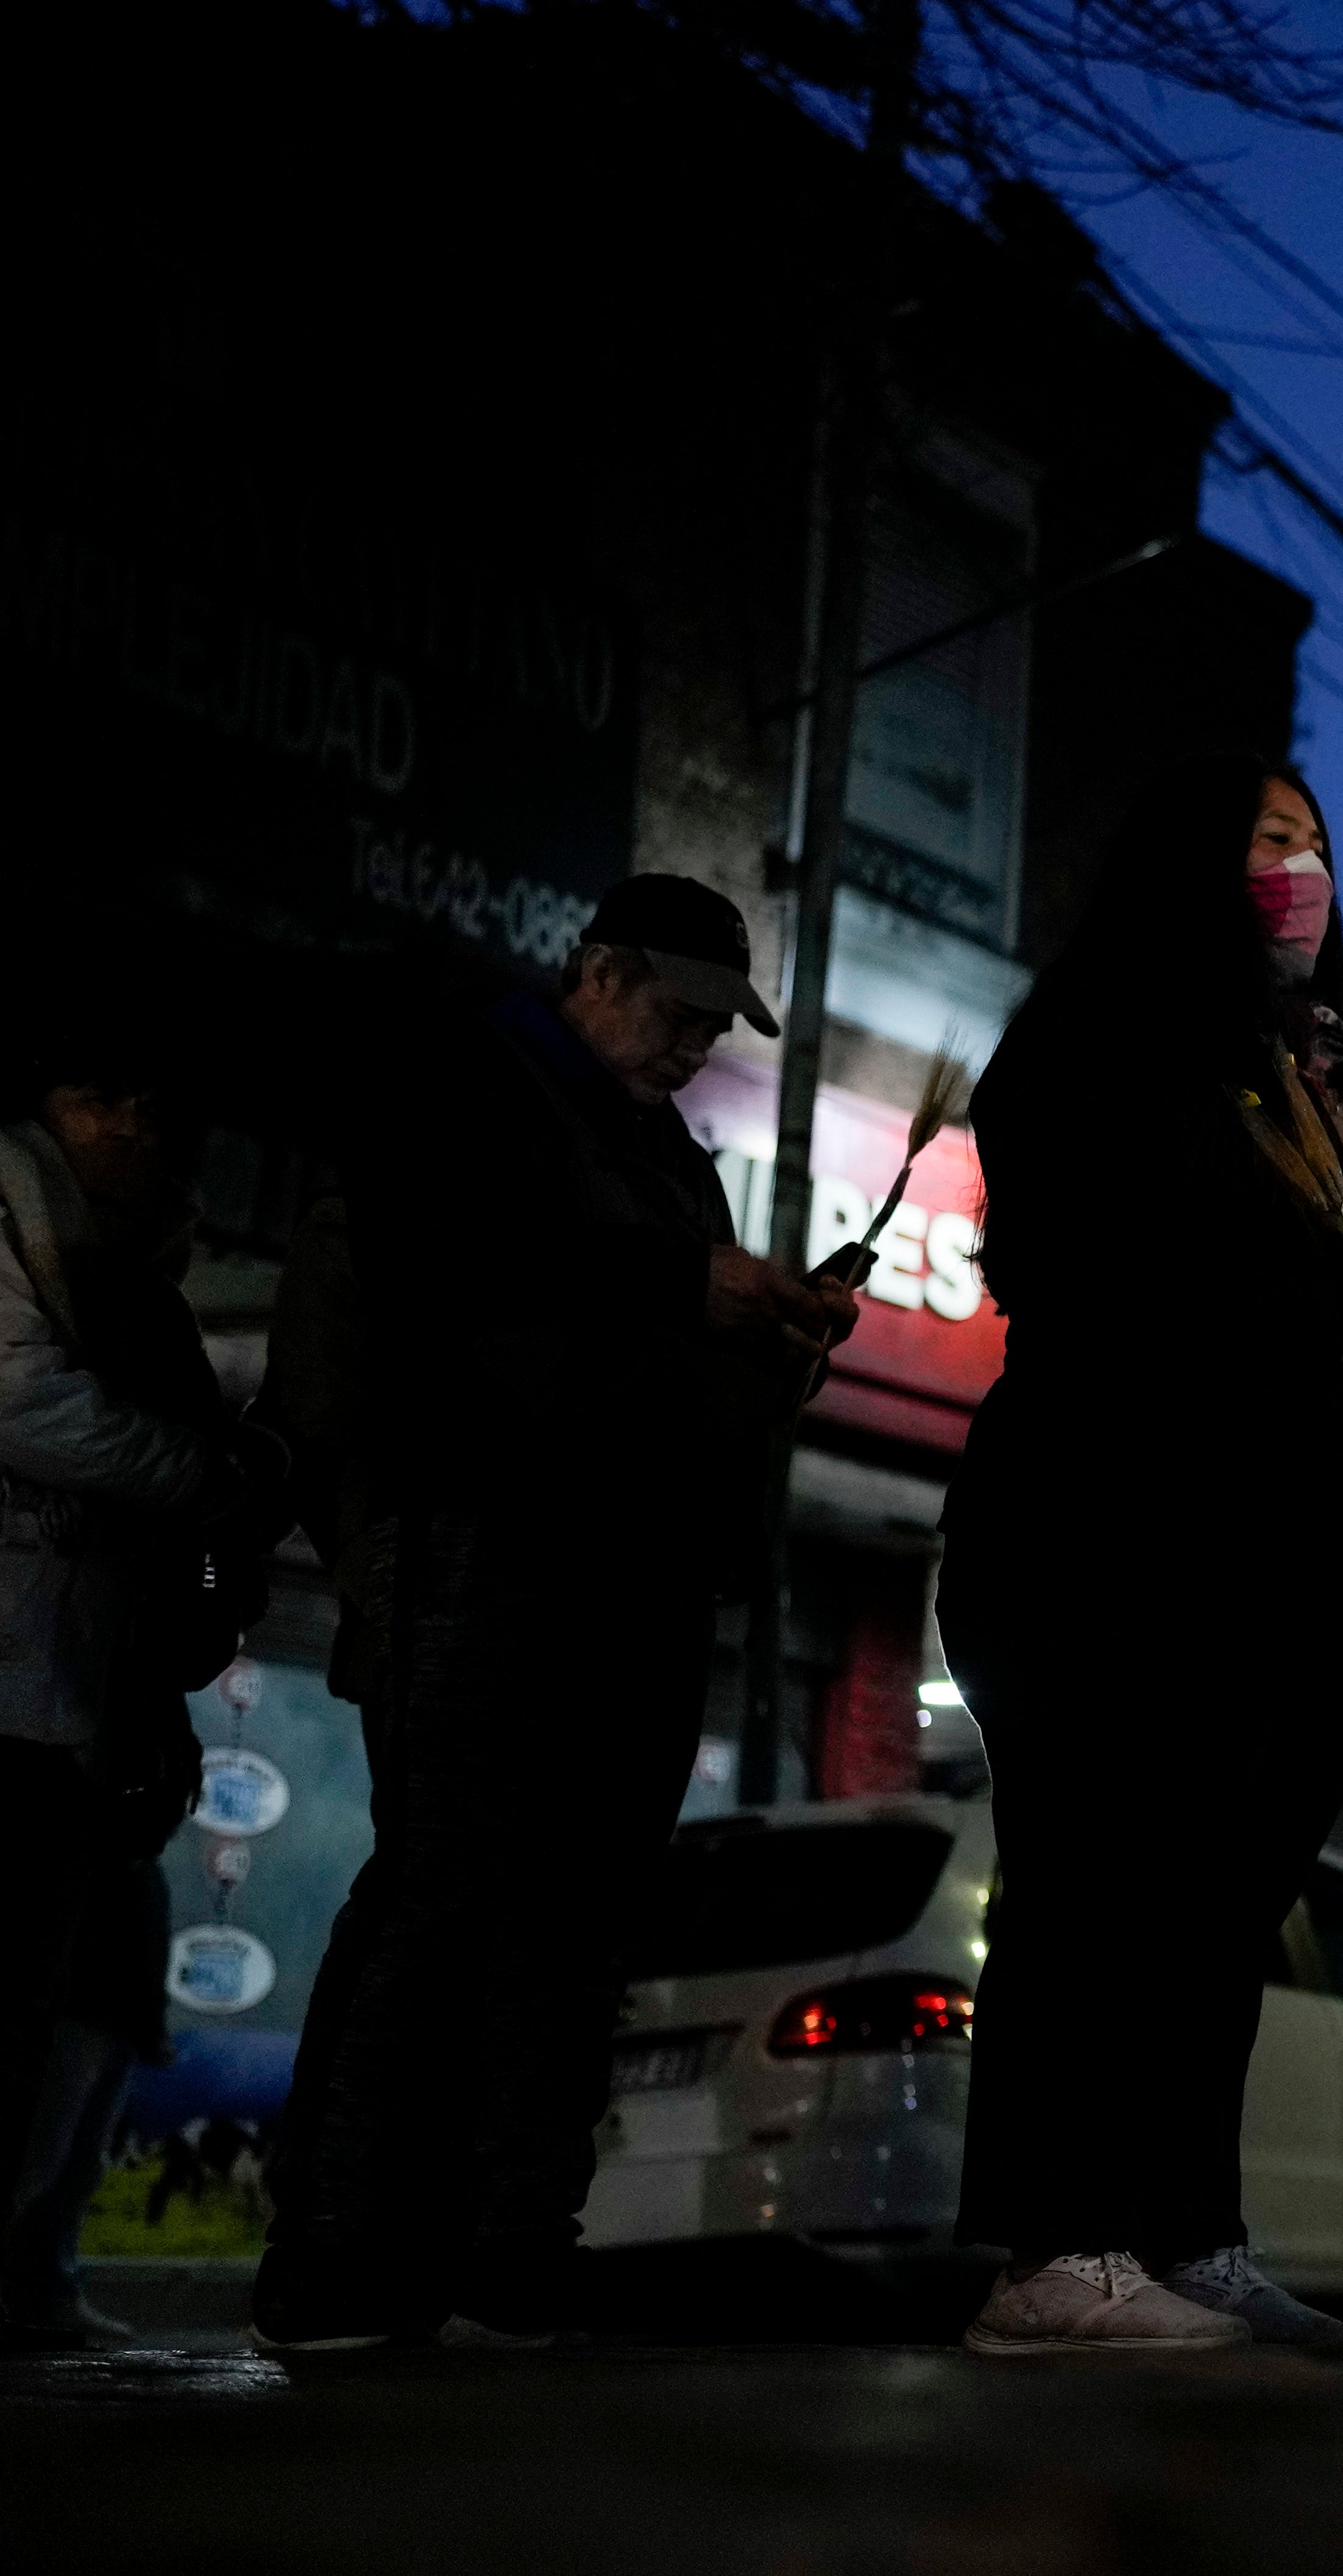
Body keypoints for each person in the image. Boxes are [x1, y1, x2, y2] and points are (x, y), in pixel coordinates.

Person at [256, 879, 854, 2351]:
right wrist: (690, 1282)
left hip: (633, 1575)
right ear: (598, 969)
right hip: (487, 1543)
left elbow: (670, 1352)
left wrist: (770, 1348)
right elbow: (458, 1255)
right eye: (682, 1014)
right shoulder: (470, 1080)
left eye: (717, 1028)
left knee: (577, 1926)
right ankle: (339, 2248)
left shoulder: (665, 1151)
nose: (693, 1050)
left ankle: (514, 2245)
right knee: (444, 1892)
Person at [946, 764, 1343, 2357]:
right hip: (1113, 1526)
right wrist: (1292, 1316)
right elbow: (1059, 1255)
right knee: (1097, 1877)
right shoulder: (1100, 1032)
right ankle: (1054, 2248)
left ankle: (1183, 2232)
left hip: (1296, 1546)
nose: (1301, 868)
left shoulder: (1322, 1068)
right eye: (1264, 836)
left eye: (1316, 841)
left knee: (1225, 1899)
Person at [0, 979, 282, 2349]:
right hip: (35, 1684)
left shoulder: (134, 1298)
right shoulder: (25, 1232)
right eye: (134, 1120)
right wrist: (205, 1487)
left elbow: (194, 1557)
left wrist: (209, 1561)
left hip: (92, 1701)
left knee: (76, 1982)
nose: (149, 1151)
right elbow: (33, 1412)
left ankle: (30, 2266)